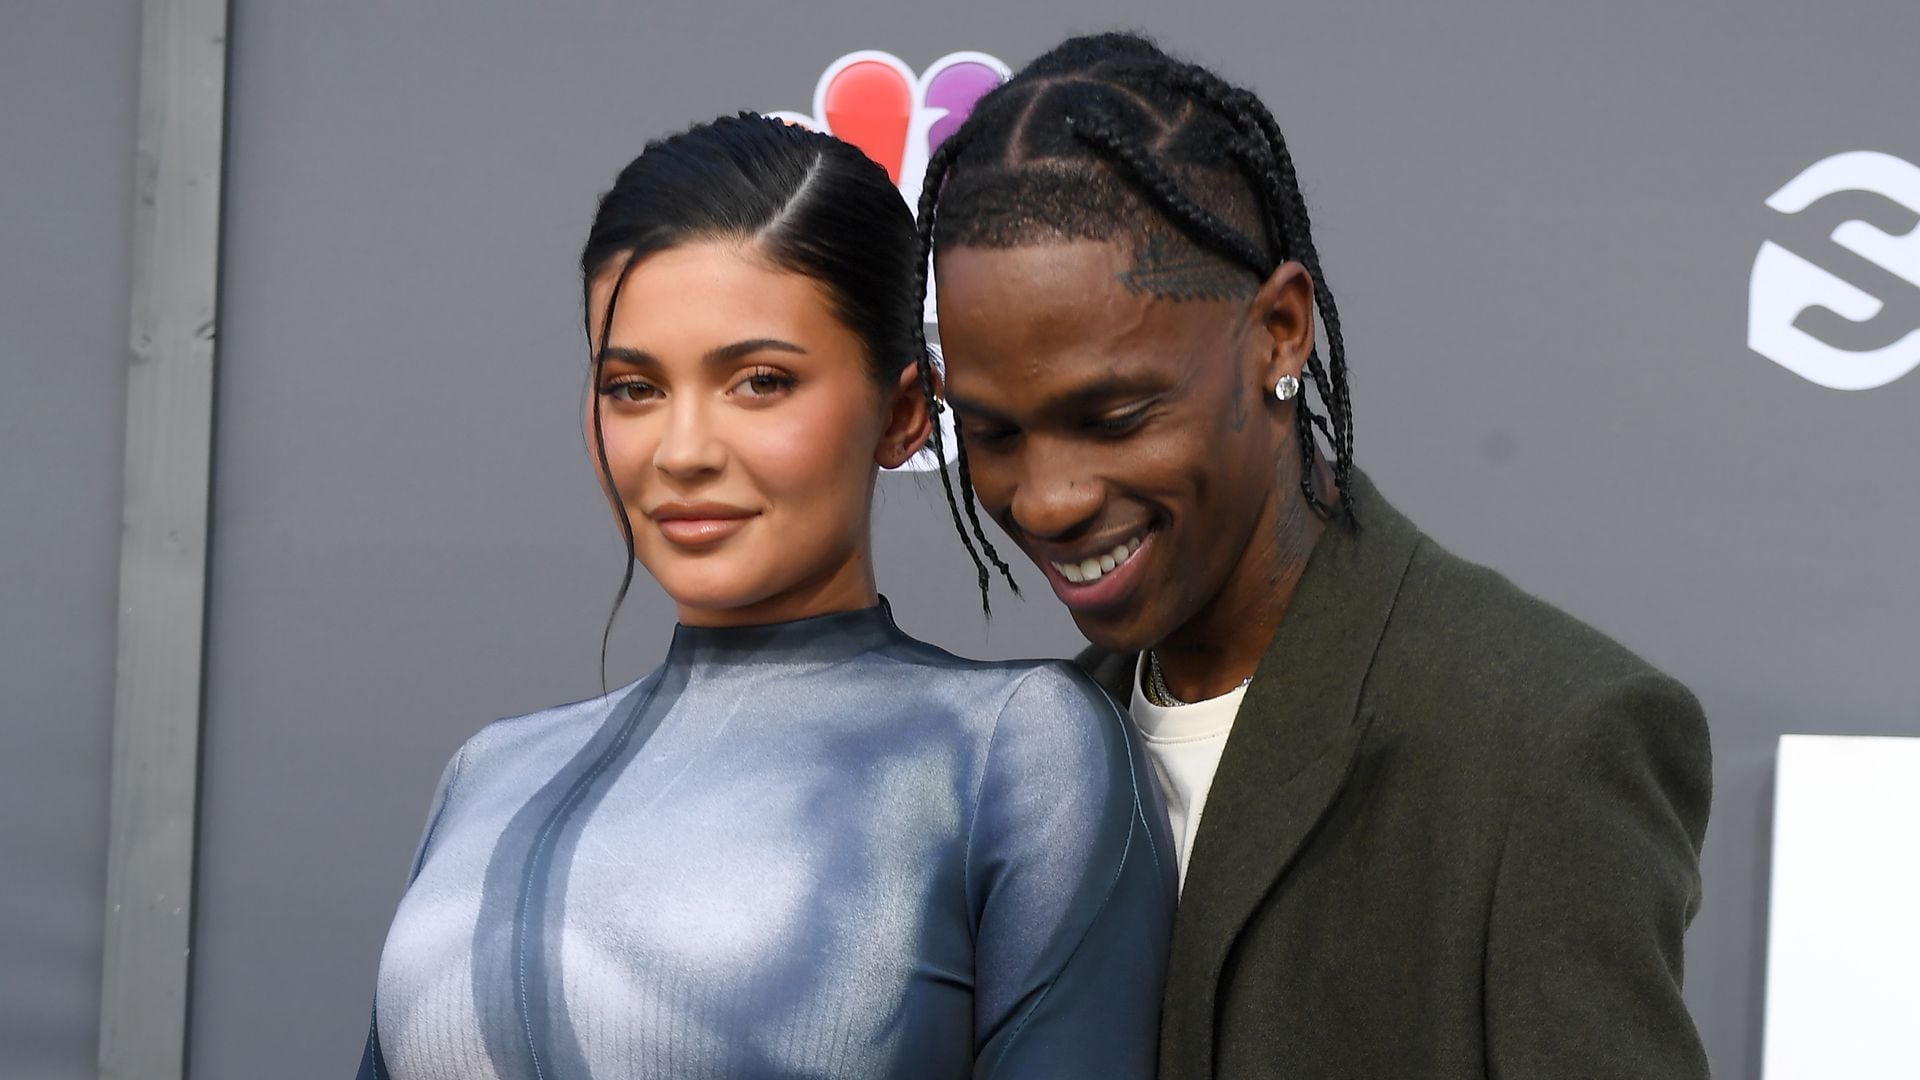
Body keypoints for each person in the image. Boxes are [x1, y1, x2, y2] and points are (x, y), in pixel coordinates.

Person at [913, 33, 1714, 1080]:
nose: (1048, 498)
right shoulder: (1022, 771)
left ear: (1280, 333)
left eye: (1113, 416)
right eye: (994, 433)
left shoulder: (1545, 742)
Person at [353, 113, 1175, 1080]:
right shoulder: (488, 774)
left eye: (758, 381)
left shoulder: (1017, 750)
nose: (684, 451)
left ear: (904, 411)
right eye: (633, 388)